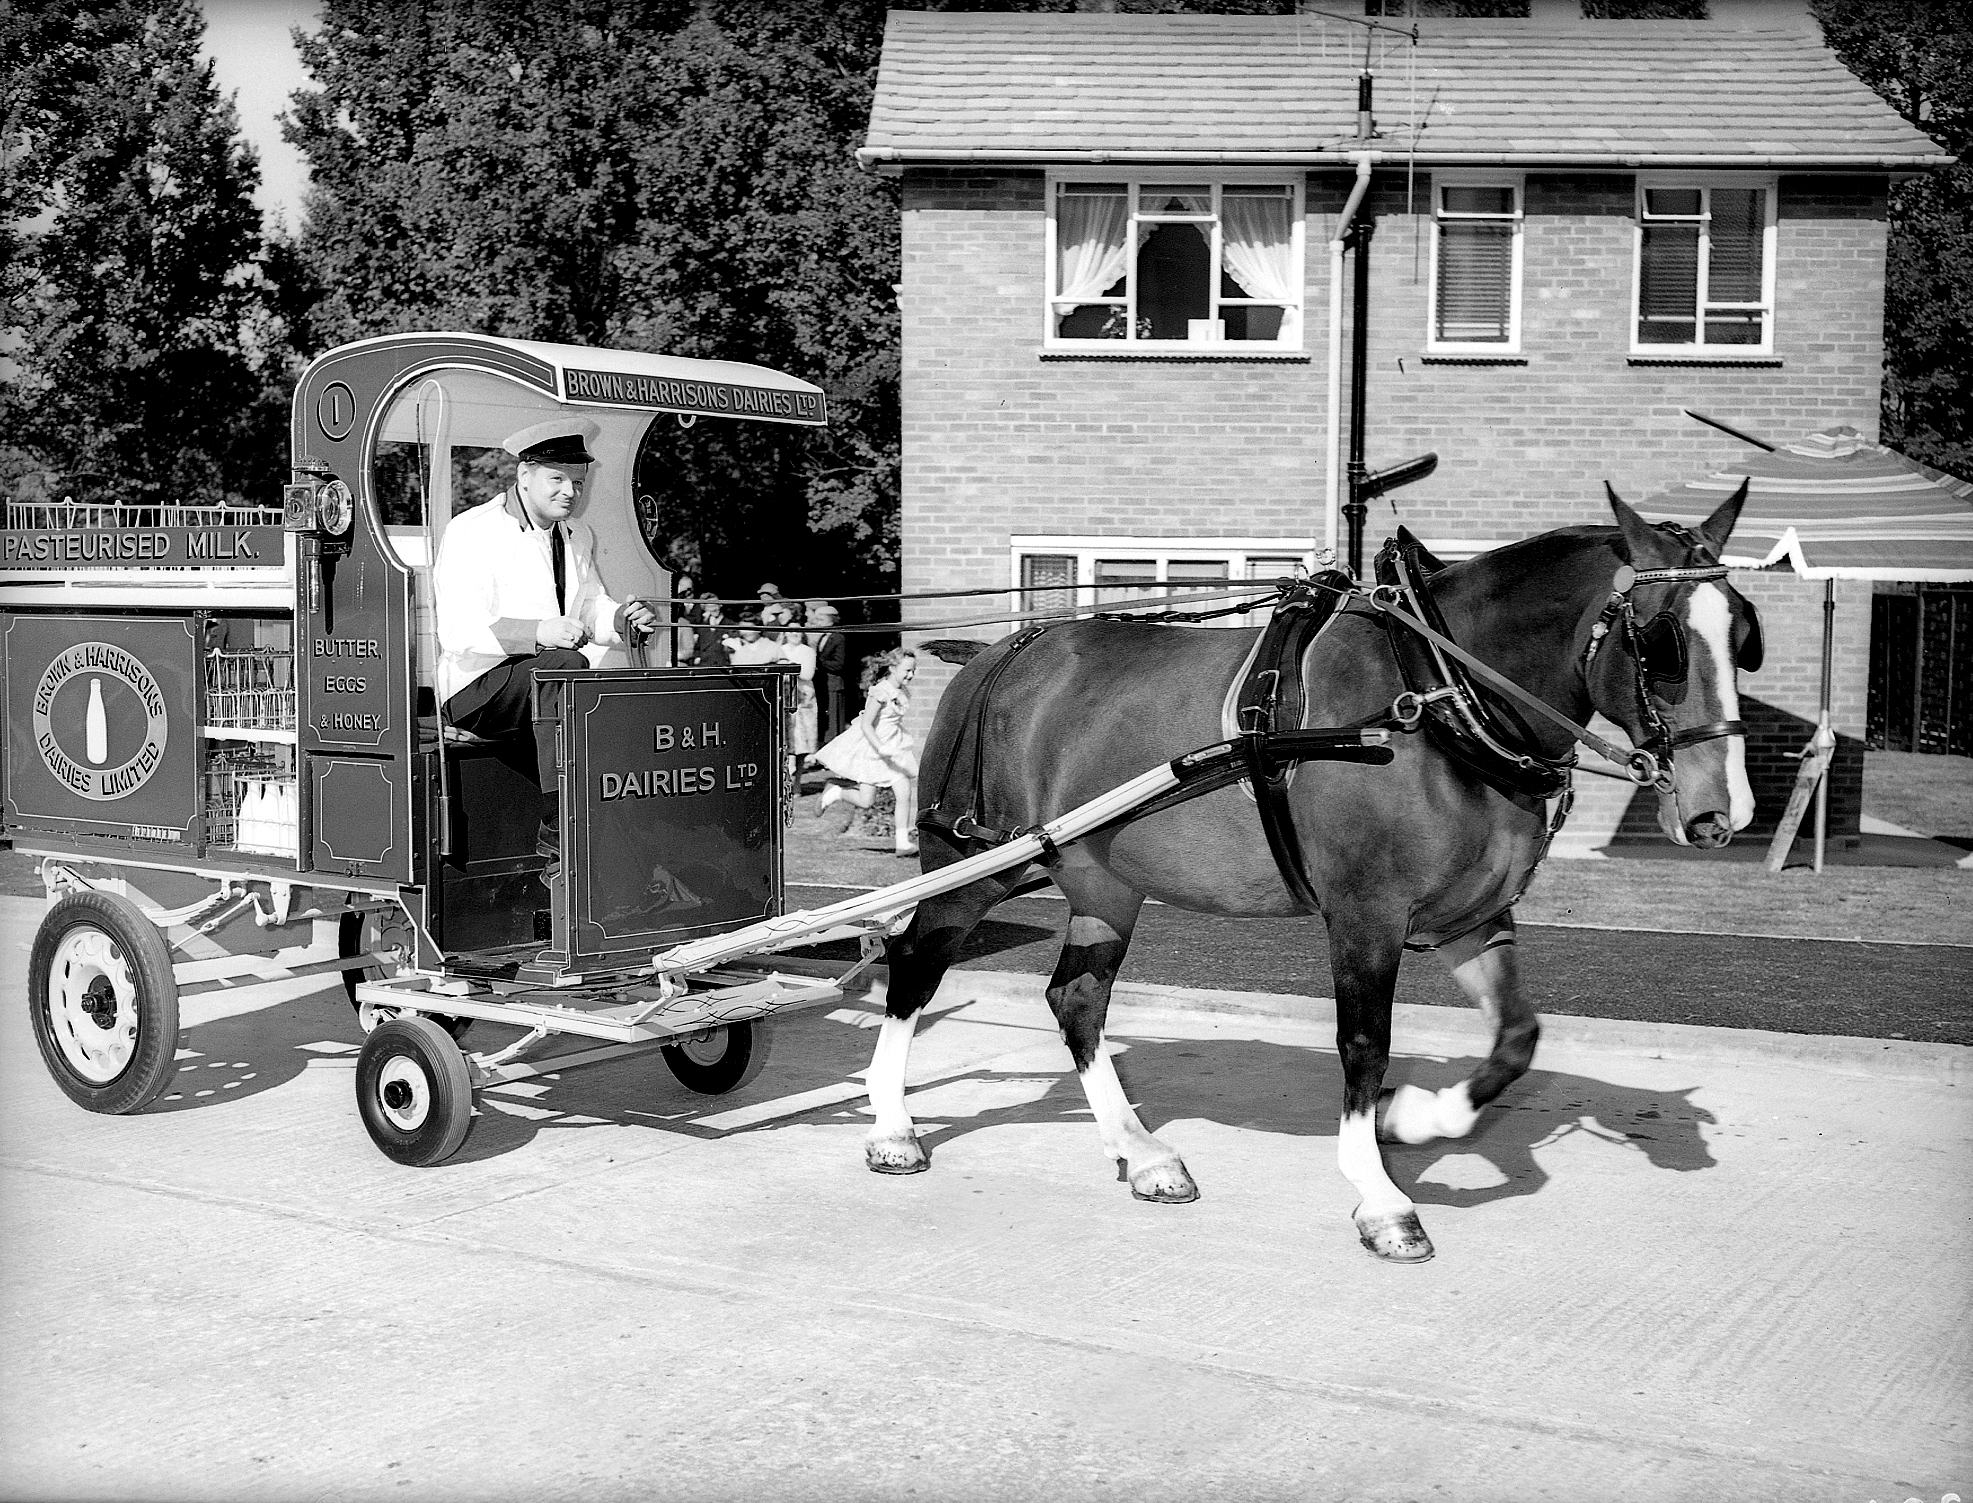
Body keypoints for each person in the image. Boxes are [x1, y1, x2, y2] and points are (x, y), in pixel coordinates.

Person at [433, 415, 659, 869]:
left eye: (578, 481)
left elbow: (592, 610)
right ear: (524, 475)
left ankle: (613, 830)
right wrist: (539, 632)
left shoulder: (577, 536)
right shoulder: (472, 530)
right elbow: (457, 630)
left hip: (541, 683)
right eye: (557, 479)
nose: (570, 492)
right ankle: (560, 824)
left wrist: (625, 618)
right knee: (565, 664)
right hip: (474, 691)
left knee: (586, 680)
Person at [813, 648, 919, 858]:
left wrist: (893, 747)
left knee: (904, 792)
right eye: (907, 670)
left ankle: (902, 843)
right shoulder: (880, 692)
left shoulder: (903, 692)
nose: (911, 675)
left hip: (894, 749)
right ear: (893, 667)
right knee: (866, 801)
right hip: (874, 750)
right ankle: (836, 792)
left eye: (914, 670)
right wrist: (881, 748)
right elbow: (867, 726)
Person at [806, 601, 849, 742]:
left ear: (832, 620)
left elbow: (839, 664)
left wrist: (817, 662)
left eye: (821, 620)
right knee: (825, 719)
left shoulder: (838, 637)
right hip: (823, 683)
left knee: (833, 721)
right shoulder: (823, 637)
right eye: (817, 619)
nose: (818, 623)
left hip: (833, 685)